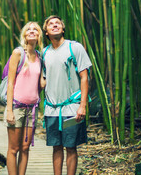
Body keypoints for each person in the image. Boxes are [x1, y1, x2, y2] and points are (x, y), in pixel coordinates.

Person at [41, 15, 92, 175]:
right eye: (51, 24)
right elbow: (43, 80)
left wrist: (82, 106)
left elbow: (85, 77)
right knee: (56, 146)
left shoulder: (74, 47)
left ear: (63, 29)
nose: (55, 25)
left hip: (71, 109)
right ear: (46, 32)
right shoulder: (44, 53)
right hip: (52, 110)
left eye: (58, 23)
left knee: (70, 146)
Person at [4, 22, 44, 175]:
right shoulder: (18, 53)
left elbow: (40, 83)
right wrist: (9, 111)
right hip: (17, 107)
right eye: (29, 29)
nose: (32, 31)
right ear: (24, 34)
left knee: (25, 148)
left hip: (32, 109)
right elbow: (10, 83)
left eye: (36, 29)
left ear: (39, 35)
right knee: (14, 149)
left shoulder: (40, 56)